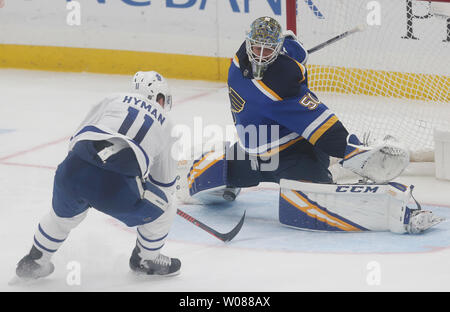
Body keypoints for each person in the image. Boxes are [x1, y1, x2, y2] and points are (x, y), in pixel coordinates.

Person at [177, 16, 443, 234]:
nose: (258, 56)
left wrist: (349, 150)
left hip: (295, 154)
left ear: (277, 49)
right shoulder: (274, 81)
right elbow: (296, 82)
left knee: (315, 198)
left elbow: (318, 121)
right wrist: (293, 51)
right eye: (256, 48)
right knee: (203, 179)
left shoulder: (240, 64)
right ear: (249, 44)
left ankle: (391, 204)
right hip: (259, 155)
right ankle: (342, 162)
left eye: (267, 49)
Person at [15, 71, 181, 280]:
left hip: (72, 171)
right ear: (161, 98)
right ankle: (145, 259)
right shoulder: (169, 125)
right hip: (117, 189)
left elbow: (76, 138)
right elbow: (164, 184)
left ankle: (35, 261)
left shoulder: (113, 99)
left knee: (61, 218)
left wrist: (85, 182)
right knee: (168, 204)